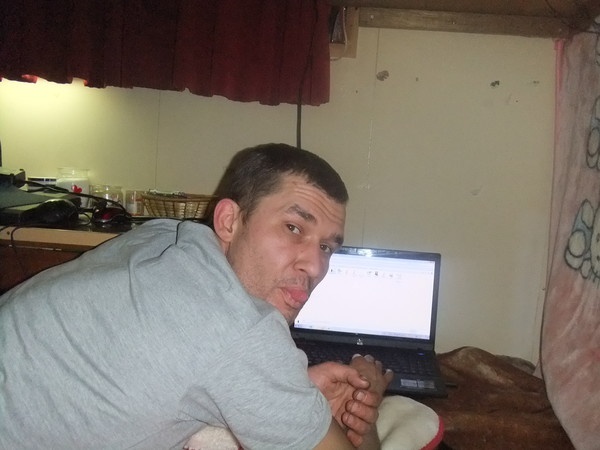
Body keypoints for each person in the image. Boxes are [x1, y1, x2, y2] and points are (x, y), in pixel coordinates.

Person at [0, 143, 393, 449]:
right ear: (229, 221)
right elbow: (224, 348)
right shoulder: (241, 330)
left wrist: (291, 392)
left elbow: (183, 364)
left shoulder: (165, 237)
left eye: (327, 247)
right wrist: (368, 410)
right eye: (293, 228)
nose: (315, 266)